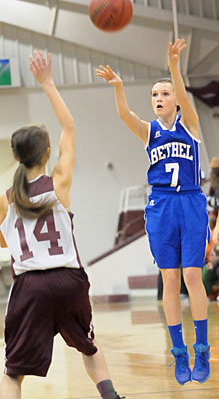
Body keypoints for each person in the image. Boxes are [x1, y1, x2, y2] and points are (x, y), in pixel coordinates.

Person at [0, 50, 124, 399]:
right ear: (48, 151)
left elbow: (7, 240)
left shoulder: (6, 198)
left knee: (13, 372)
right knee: (90, 346)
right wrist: (47, 82)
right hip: (69, 280)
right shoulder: (60, 183)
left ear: (16, 156)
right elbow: (70, 126)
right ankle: (111, 396)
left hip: (30, 288)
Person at [96, 39, 210, 385]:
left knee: (192, 276)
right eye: (154, 95)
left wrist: (174, 67)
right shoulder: (150, 132)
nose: (159, 98)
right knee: (170, 280)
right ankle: (179, 354)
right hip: (160, 206)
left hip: (190, 202)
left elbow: (186, 101)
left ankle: (201, 349)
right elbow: (126, 116)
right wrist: (118, 87)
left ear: (174, 98)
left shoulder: (189, 125)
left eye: (164, 93)